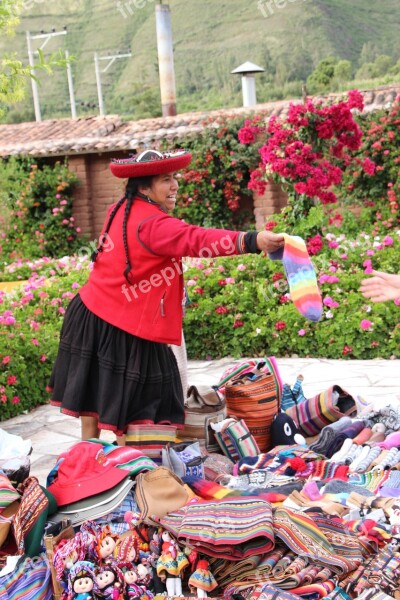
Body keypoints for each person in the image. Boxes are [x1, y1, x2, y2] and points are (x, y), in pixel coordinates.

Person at [48, 149, 284, 442]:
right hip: (121, 325)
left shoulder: (121, 208)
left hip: (90, 313)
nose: (175, 186)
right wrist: (253, 240)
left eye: (174, 178)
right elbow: (197, 239)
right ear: (144, 187)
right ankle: (135, 468)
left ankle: (90, 456)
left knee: (95, 394)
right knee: (135, 408)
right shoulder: (154, 224)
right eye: (165, 180)